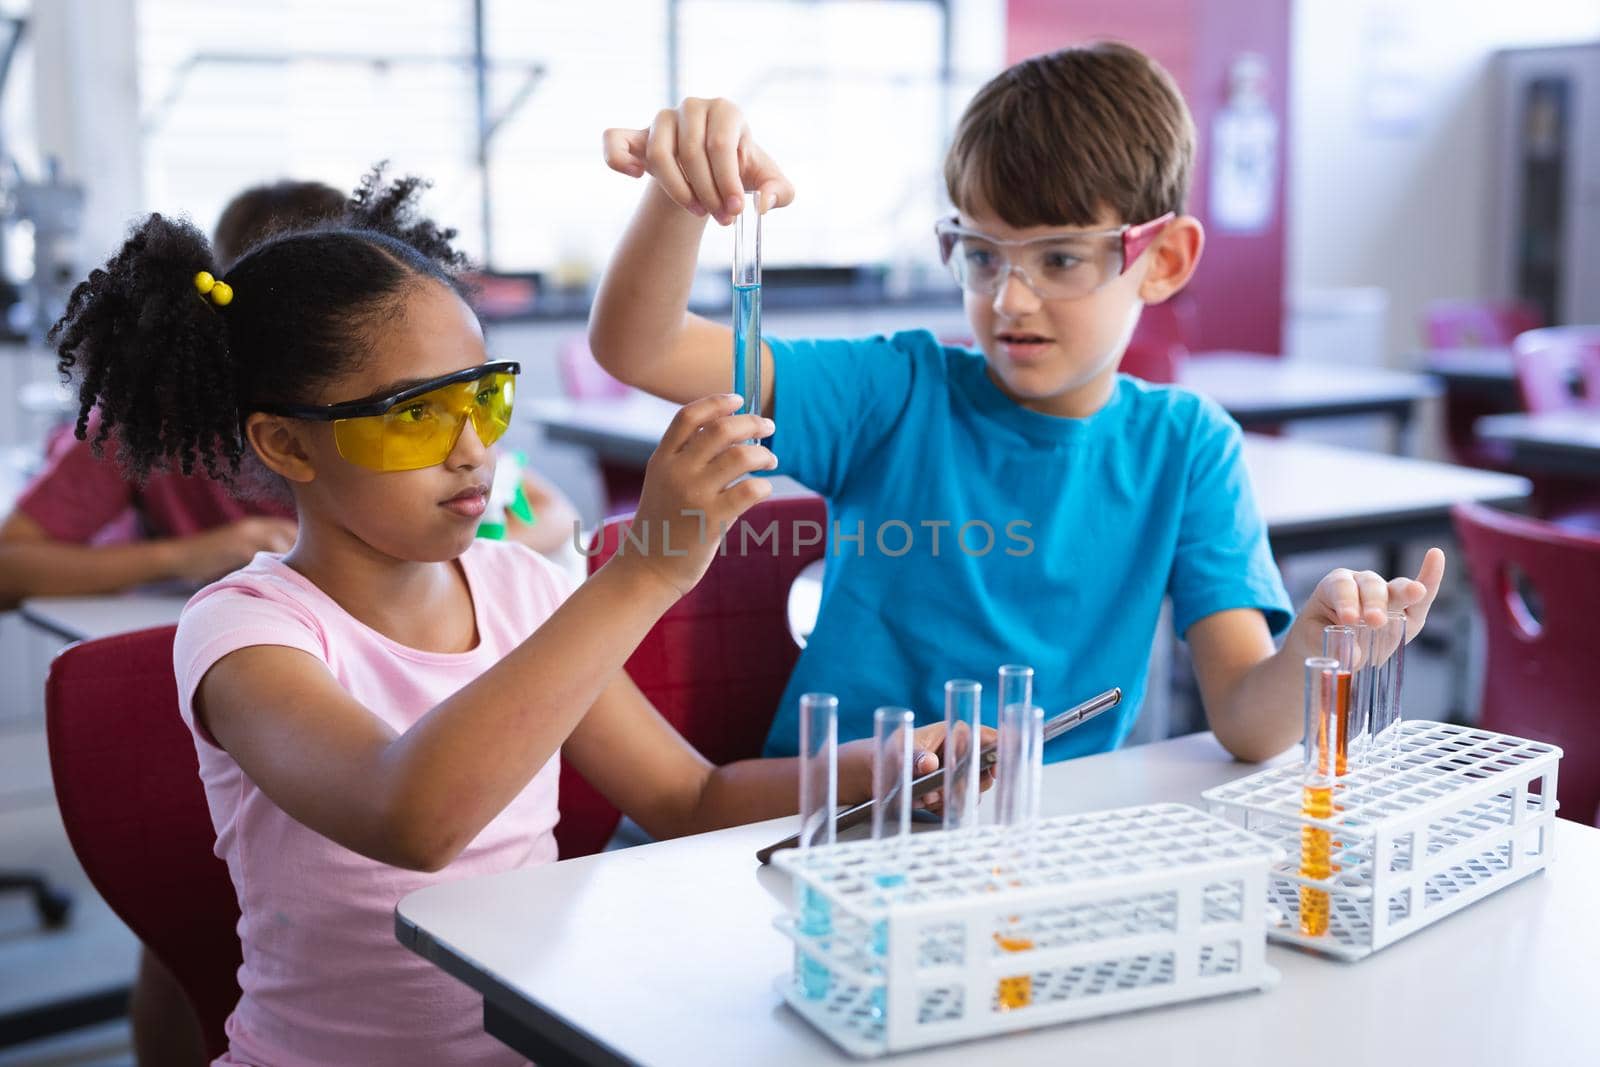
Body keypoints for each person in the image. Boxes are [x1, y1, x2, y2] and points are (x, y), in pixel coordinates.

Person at [49, 169, 970, 1066]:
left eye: (482, 396)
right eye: (415, 415)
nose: (473, 451)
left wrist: (885, 772)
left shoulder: (521, 590)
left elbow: (692, 800)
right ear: (286, 443)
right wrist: (641, 573)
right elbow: (410, 813)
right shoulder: (248, 631)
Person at [588, 41, 1446, 762]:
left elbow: (1244, 721)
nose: (1010, 300)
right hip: (832, 826)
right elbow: (641, 345)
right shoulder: (897, 392)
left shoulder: (1186, 449)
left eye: (1061, 260)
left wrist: (1315, 652)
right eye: (982, 253)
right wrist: (680, 194)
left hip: (1032, 853)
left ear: (1167, 259)